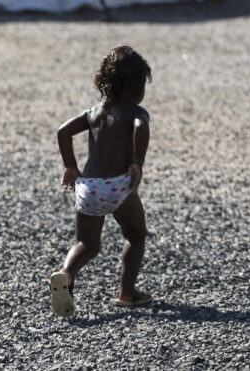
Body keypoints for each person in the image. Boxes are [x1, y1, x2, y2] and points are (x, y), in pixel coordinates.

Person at [49, 46, 152, 317]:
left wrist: (70, 165)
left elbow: (63, 131)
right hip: (118, 184)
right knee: (135, 234)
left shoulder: (93, 113)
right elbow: (141, 129)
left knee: (87, 244)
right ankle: (127, 293)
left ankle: (66, 274)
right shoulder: (136, 112)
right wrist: (137, 163)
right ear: (138, 86)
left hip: (88, 186)